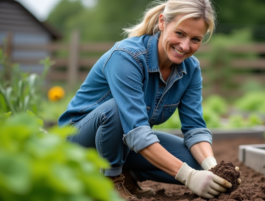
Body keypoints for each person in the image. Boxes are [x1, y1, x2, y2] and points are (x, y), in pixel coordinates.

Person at [59, 0, 237, 200]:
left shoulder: (190, 69)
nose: (185, 46)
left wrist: (212, 168)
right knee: (115, 110)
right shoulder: (127, 57)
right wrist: (188, 177)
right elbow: (136, 129)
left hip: (124, 142)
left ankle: (127, 174)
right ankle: (109, 181)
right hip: (79, 140)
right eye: (179, 33)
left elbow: (195, 127)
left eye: (195, 39)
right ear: (162, 22)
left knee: (198, 165)